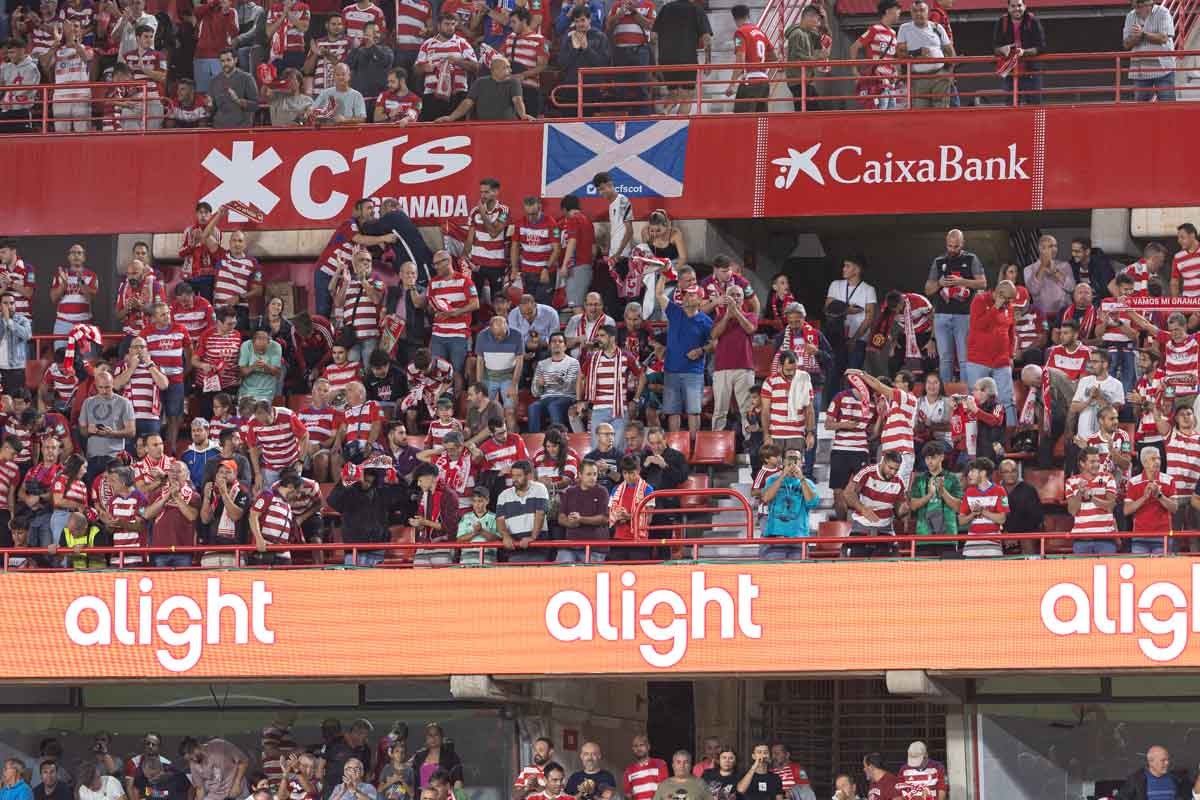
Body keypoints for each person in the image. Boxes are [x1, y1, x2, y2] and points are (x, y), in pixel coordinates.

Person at [655, 273, 712, 438]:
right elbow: (659, 294)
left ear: (700, 301)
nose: (687, 298)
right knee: (673, 411)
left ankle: (694, 444)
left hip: (694, 371)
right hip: (671, 369)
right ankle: (674, 444)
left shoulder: (705, 321)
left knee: (694, 411)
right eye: (686, 295)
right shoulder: (675, 312)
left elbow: (714, 343)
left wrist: (701, 350)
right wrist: (664, 275)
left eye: (692, 295)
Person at [963, 279, 1017, 425]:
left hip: (1002, 361)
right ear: (998, 293)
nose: (1009, 303)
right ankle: (974, 437)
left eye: (1011, 300)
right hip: (978, 361)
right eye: (1007, 299)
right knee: (975, 400)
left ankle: (1010, 437)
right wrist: (995, 307)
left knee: (1007, 399)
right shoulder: (979, 301)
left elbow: (1011, 332)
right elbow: (978, 325)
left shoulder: (1009, 307)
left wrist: (1011, 355)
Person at [825, 256, 876, 393]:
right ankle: (833, 407)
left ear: (857, 269)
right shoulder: (836, 284)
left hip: (858, 338)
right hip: (837, 336)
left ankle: (852, 406)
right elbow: (828, 307)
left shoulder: (868, 289)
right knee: (834, 373)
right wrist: (848, 309)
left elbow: (869, 317)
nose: (844, 269)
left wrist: (855, 338)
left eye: (847, 266)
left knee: (854, 375)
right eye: (844, 265)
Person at [414, 13, 478, 121]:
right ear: (438, 26)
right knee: (431, 131)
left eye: (453, 24)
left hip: (457, 95)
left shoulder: (462, 43)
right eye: (447, 24)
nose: (450, 27)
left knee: (457, 130)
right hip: (432, 95)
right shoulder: (427, 44)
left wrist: (458, 61)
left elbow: (476, 67)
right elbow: (416, 69)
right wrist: (424, 68)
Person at [652, 0, 711, 114]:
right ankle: (677, 124)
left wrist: (656, 61)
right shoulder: (696, 9)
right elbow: (707, 37)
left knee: (673, 92)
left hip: (666, 59)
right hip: (687, 58)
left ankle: (666, 110)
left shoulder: (666, 8)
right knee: (686, 97)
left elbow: (653, 36)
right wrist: (708, 61)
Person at [843, 451, 906, 557]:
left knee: (889, 565)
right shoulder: (867, 472)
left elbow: (900, 512)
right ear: (883, 462)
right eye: (890, 468)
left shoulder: (899, 482)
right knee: (854, 562)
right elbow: (848, 493)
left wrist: (905, 510)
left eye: (896, 469)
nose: (893, 472)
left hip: (885, 529)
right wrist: (862, 509)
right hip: (861, 527)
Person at [760, 449, 817, 559]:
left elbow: (812, 503)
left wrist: (801, 478)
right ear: (783, 461)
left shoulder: (808, 483)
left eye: (796, 459)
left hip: (799, 539)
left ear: (801, 462)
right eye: (789, 459)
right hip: (775, 538)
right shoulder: (772, 480)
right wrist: (782, 475)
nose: (793, 462)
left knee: (798, 575)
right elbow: (766, 498)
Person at [896, 0, 953, 108]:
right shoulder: (905, 28)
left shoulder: (937, 27)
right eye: (915, 11)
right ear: (911, 13)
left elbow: (950, 51)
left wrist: (948, 73)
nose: (918, 13)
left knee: (941, 112)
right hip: (918, 78)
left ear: (928, 12)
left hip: (940, 76)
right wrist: (917, 53)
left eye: (922, 10)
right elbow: (900, 53)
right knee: (920, 113)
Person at [909, 442, 961, 556]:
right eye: (927, 458)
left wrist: (943, 492)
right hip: (924, 537)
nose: (930, 461)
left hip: (948, 536)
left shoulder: (952, 479)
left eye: (933, 457)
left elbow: (959, 507)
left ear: (942, 457)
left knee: (951, 573)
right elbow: (913, 506)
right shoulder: (919, 480)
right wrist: (929, 495)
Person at [847, 0, 900, 110]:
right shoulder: (874, 29)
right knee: (879, 115)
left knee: (892, 116)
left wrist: (895, 71)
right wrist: (854, 71)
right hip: (877, 83)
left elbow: (891, 57)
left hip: (890, 83)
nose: (899, 12)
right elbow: (854, 47)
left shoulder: (894, 33)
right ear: (888, 11)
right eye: (897, 9)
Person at [1126, 446, 1179, 554]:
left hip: (1162, 536)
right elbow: (1127, 510)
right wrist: (1144, 497)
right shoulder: (1133, 482)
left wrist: (1159, 496)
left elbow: (1174, 508)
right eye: (1153, 459)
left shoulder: (1169, 480)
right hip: (1140, 537)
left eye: (1159, 459)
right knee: (1140, 570)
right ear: (1144, 463)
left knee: (1161, 570)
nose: (1157, 462)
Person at [1066, 446, 1118, 555]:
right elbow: (1072, 511)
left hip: (1105, 539)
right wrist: (1080, 493)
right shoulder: (1071, 482)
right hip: (1081, 540)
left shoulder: (1108, 478)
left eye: (1098, 461)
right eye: (1092, 461)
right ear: (1082, 463)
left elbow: (1110, 506)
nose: (1096, 465)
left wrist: (1091, 498)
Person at [557, 460, 611, 562]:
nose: (592, 478)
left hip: (596, 548)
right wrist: (569, 523)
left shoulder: (602, 491)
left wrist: (580, 519)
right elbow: (561, 517)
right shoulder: (569, 492)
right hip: (571, 546)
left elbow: (604, 518)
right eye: (589, 474)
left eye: (595, 474)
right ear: (580, 475)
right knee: (561, 571)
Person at [557, 7, 609, 113]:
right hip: (571, 86)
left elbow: (603, 64)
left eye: (583, 20)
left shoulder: (600, 37)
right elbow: (561, 63)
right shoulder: (568, 37)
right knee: (569, 123)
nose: (580, 24)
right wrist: (574, 50)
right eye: (576, 21)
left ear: (589, 20)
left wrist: (586, 49)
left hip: (592, 87)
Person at [496, 460, 550, 562]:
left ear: (529, 476)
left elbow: (540, 514)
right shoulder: (503, 495)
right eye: (513, 475)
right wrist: (506, 536)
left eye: (518, 475)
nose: (515, 479)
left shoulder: (539, 488)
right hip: (515, 548)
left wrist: (532, 538)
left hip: (538, 547)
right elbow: (500, 521)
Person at [992, 0, 1044, 104]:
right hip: (1009, 71)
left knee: (1034, 106)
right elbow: (995, 48)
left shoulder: (1032, 21)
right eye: (1013, 6)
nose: (1017, 8)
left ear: (1025, 6)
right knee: (1011, 105)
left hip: (1031, 71)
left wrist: (1024, 52)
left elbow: (1041, 47)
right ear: (1008, 7)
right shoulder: (1002, 21)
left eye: (1019, 5)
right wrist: (1002, 50)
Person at [1123, 0, 1175, 102]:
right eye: (1134, 6)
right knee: (1142, 110)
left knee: (1168, 106)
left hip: (1163, 68)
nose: (1136, 10)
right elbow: (1126, 44)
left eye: (1139, 6)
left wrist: (1143, 34)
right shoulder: (1130, 16)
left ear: (1148, 4)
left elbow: (1163, 38)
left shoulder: (1163, 13)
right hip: (1140, 71)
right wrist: (1136, 37)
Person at [726, 5, 774, 113]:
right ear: (748, 15)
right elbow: (774, 57)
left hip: (750, 81)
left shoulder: (739, 33)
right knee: (760, 122)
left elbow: (740, 59)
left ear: (734, 18)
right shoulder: (761, 33)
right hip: (764, 82)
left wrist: (732, 84)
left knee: (742, 121)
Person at [1070, 349, 1124, 441]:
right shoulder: (1084, 381)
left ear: (1105, 364)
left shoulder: (1117, 384)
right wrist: (1090, 399)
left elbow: (1114, 413)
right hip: (1083, 439)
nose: (1091, 365)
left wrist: (1099, 397)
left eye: (1095, 362)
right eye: (1091, 362)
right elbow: (1073, 407)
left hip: (1104, 440)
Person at [783, 5, 828, 111]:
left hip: (804, 80)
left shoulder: (808, 34)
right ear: (808, 17)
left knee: (813, 111)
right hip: (799, 81)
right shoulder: (797, 34)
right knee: (808, 112)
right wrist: (816, 58)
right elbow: (797, 58)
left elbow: (825, 35)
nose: (818, 23)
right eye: (816, 19)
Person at [1118, 745, 1200, 800]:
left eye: (1168, 760)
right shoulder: (1136, 780)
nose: (1167, 763)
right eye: (1163, 760)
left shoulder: (1177, 778)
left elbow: (1194, 795)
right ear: (1151, 762)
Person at [998, 458, 1042, 555]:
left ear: (1018, 472)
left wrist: (1014, 535)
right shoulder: (995, 491)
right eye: (1006, 472)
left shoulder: (1029, 490)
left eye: (1013, 471)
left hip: (1025, 531)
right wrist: (1005, 533)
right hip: (1001, 532)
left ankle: (1030, 568)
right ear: (1000, 474)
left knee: (1027, 540)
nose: (1011, 474)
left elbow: (1035, 518)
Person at [1023, 235, 1074, 318]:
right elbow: (1033, 290)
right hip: (1042, 315)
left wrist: (1055, 272)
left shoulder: (1065, 265)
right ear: (1041, 249)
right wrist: (1043, 266)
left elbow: (1071, 288)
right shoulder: (1029, 269)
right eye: (1051, 246)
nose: (1054, 249)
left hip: (1064, 313)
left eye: (1055, 246)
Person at [209, 47, 258, 127]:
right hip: (219, 128)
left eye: (228, 60)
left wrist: (238, 101)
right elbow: (212, 109)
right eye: (222, 61)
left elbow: (255, 106)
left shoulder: (247, 78)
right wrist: (209, 105)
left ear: (235, 60)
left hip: (241, 128)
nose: (225, 64)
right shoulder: (214, 81)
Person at [410, 724, 463, 789]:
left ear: (441, 736)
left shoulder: (452, 756)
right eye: (430, 735)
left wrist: (456, 796)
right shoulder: (419, 756)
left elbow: (458, 780)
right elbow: (412, 780)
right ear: (426, 738)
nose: (433, 738)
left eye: (436, 734)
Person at [623, 736, 667, 800]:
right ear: (633, 749)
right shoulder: (628, 771)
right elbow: (628, 796)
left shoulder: (660, 764)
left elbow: (664, 790)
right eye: (635, 746)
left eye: (641, 745)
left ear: (648, 747)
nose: (638, 748)